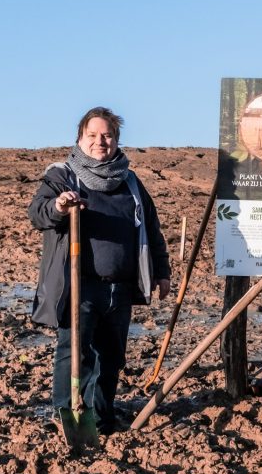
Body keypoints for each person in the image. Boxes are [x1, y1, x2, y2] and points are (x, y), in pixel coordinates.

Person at [28, 107, 173, 435]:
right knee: (73, 351)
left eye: (106, 135)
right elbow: (37, 213)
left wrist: (162, 272)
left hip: (119, 287)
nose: (100, 141)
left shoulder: (131, 182)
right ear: (80, 138)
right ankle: (65, 413)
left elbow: (151, 227)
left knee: (111, 357)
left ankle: (102, 416)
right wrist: (59, 207)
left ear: (116, 139)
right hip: (80, 284)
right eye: (92, 135)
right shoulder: (63, 175)